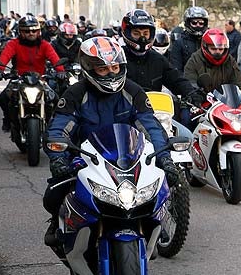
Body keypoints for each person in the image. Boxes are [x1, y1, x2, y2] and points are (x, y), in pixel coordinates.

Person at [42, 36, 177, 250]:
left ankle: (155, 225)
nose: (112, 73)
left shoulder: (133, 91)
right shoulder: (75, 94)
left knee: (162, 186)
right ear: (88, 68)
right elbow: (59, 128)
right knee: (53, 193)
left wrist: (165, 158)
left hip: (129, 157)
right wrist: (59, 158)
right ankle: (57, 224)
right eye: (104, 70)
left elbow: (150, 127)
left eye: (115, 67)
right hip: (86, 158)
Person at [184, 28, 241, 191]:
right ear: (205, 47)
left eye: (221, 49)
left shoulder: (229, 61)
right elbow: (189, 82)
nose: (217, 52)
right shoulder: (195, 60)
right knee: (186, 124)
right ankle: (185, 163)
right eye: (214, 49)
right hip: (199, 101)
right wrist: (195, 98)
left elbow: (240, 83)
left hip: (224, 102)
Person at [0, 15, 64, 132]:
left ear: (39, 31)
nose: (31, 33)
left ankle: (53, 124)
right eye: (27, 31)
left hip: (40, 79)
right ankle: (7, 119)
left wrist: (61, 71)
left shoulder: (45, 45)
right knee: (3, 98)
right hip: (19, 79)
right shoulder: (14, 44)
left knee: (55, 98)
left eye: (34, 30)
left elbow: (54, 58)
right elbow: (5, 56)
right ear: (20, 32)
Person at [121, 9, 203, 106]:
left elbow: (175, 79)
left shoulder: (157, 59)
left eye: (145, 34)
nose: (142, 38)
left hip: (154, 111)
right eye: (136, 33)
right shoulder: (119, 58)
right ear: (127, 33)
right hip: (124, 111)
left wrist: (191, 93)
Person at [168, 6, 209, 72]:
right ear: (188, 23)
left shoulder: (208, 42)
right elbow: (176, 68)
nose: (198, 25)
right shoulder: (179, 43)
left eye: (201, 23)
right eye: (194, 23)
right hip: (186, 79)